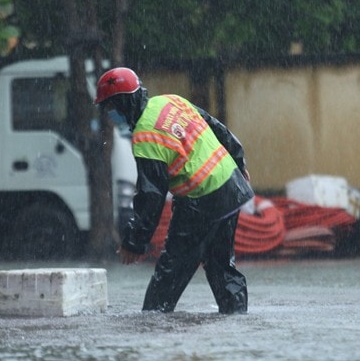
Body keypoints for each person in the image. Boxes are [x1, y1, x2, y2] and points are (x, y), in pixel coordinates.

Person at [94, 67, 254, 314]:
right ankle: (237, 323)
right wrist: (239, 160)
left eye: (110, 108)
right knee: (221, 265)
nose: (111, 115)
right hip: (230, 188)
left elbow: (152, 195)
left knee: (170, 271)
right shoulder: (170, 101)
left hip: (200, 201)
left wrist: (135, 242)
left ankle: (151, 324)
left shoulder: (145, 136)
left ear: (123, 103)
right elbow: (215, 126)